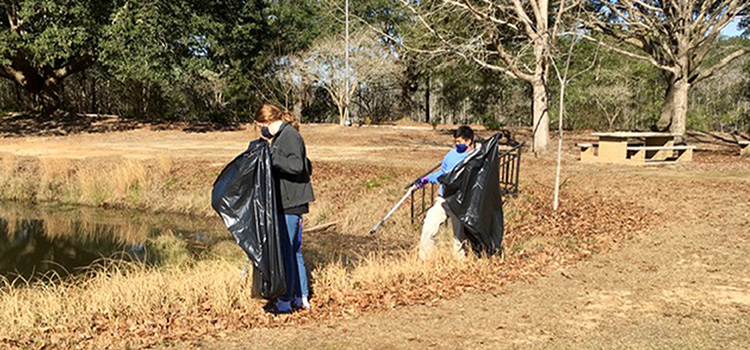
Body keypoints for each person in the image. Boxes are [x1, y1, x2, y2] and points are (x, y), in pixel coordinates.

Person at [254, 103, 314, 313]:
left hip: (291, 203)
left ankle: (287, 300)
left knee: (287, 252)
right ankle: (301, 297)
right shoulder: (283, 136)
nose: (260, 130)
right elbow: (307, 164)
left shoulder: (289, 136)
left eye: (260, 126)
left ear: (268, 122)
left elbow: (298, 166)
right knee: (293, 252)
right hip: (290, 201)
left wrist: (272, 157)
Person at [416, 126, 475, 260]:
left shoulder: (475, 158)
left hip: (460, 202)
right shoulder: (450, 155)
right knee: (428, 227)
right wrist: (426, 179)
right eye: (456, 142)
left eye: (460, 142)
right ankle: (424, 260)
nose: (457, 144)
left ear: (469, 141)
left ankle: (460, 264)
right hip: (443, 199)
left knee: (458, 237)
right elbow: (443, 173)